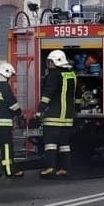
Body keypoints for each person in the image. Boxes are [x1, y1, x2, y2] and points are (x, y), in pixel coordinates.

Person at [37, 48, 78, 178]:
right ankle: (64, 168)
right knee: (64, 144)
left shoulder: (54, 75)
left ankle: (50, 167)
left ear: (55, 62)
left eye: (50, 62)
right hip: (67, 117)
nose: (49, 65)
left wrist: (39, 111)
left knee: (50, 143)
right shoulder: (72, 75)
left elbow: (47, 94)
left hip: (54, 116)